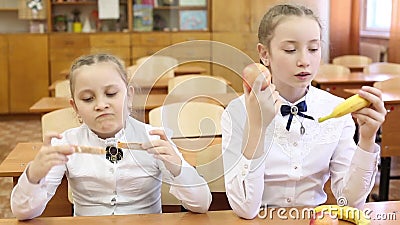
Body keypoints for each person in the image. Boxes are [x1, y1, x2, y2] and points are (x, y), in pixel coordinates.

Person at [221, 4, 386, 219]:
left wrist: (366, 139)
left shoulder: (336, 110)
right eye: (290, 50)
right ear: (264, 54)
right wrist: (258, 127)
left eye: (314, 49)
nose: (304, 61)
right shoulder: (237, 112)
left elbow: (350, 203)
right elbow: (245, 209)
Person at [11, 53, 212, 220]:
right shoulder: (66, 143)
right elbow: (22, 212)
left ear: (130, 96)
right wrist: (34, 175)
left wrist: (177, 167)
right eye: (88, 99)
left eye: (111, 93)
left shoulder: (154, 137)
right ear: (75, 108)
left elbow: (202, 204)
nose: (101, 104)